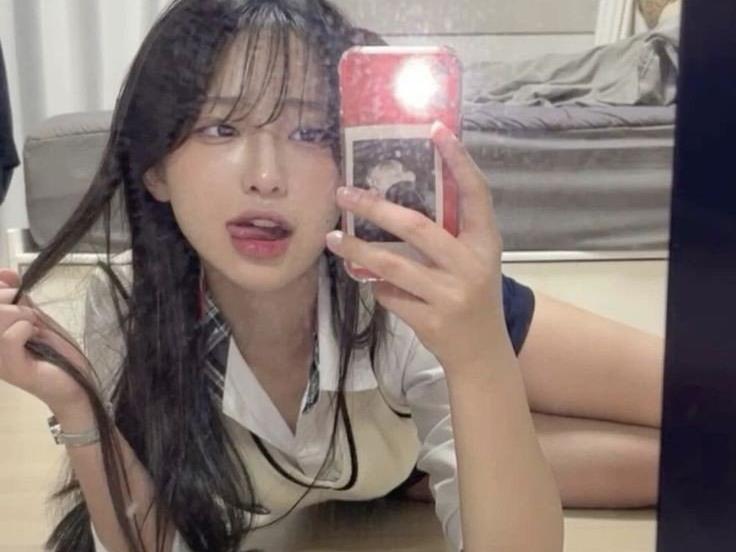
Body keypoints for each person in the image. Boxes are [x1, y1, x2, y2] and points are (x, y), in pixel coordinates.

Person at [0, 1, 661, 551]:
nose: (266, 176)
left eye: (311, 132)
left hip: (455, 315)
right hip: (391, 456)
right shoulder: (130, 313)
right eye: (222, 127)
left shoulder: (399, 299)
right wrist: (79, 405)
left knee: (697, 398)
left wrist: (480, 351)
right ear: (155, 169)